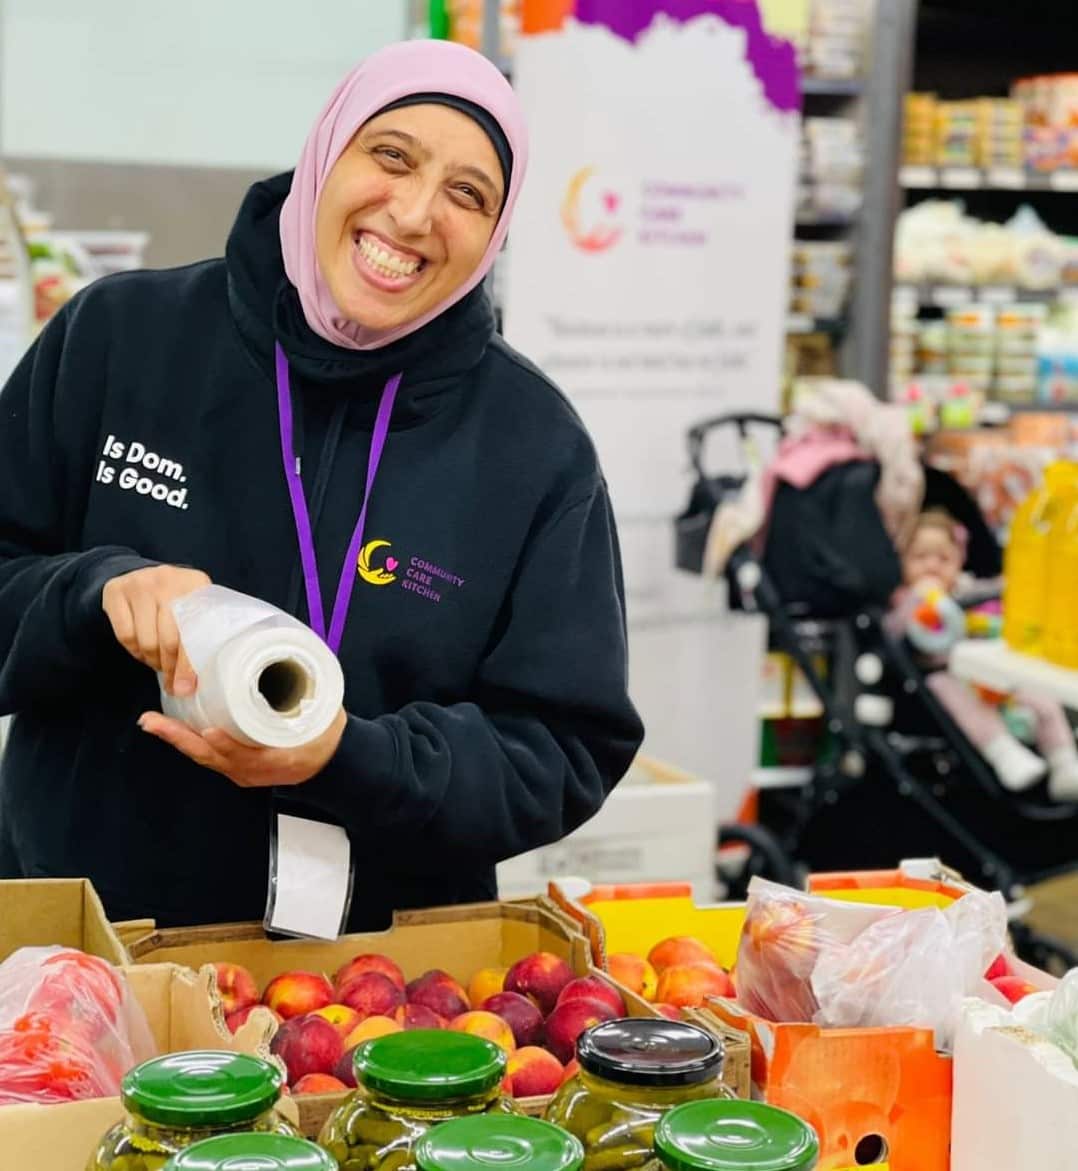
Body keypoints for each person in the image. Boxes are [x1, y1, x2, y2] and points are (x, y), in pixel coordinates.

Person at [0, 40, 644, 929]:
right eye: (391, 156)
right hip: (88, 946)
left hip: (373, 995)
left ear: (494, 233)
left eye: (468, 193)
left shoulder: (533, 446)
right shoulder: (122, 339)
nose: (416, 214)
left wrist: (351, 757)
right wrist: (92, 591)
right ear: (325, 153)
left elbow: (565, 748)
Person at [894, 510, 1078, 801]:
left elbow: (999, 591)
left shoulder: (969, 589)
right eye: (920, 557)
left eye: (943, 559)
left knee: (1036, 686)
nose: (932, 565)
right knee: (945, 689)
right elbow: (894, 629)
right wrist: (921, 598)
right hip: (949, 676)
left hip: (989, 673)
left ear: (959, 560)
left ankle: (1064, 759)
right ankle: (1004, 753)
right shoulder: (903, 600)